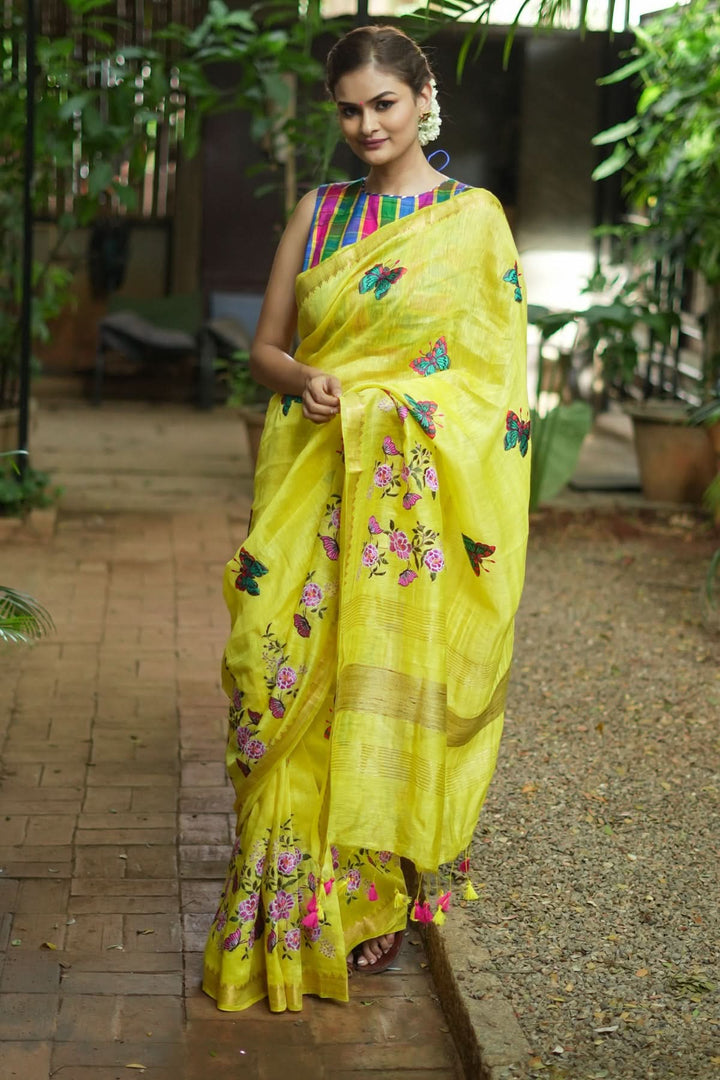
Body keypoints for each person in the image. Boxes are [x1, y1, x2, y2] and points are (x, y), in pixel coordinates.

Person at [203, 24, 530, 1014]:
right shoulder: (322, 210)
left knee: (371, 691)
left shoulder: (473, 223)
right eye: (348, 109)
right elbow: (265, 348)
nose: (366, 125)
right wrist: (306, 377)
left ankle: (366, 900)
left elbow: (498, 389)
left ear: (424, 97)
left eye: (384, 103)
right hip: (312, 486)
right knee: (273, 668)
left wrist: (400, 409)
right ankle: (277, 900)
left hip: (410, 509)